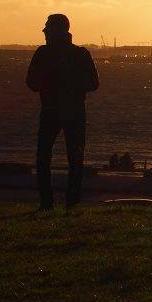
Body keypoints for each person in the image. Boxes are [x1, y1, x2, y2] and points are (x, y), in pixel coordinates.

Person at [26, 14, 99, 210]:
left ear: (57, 32)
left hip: (55, 110)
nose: (44, 32)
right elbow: (92, 83)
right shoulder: (79, 54)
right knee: (72, 158)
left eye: (48, 29)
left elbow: (32, 82)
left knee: (48, 157)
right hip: (71, 111)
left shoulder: (45, 54)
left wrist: (56, 83)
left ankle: (50, 203)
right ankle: (68, 202)